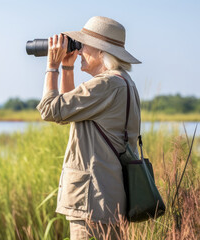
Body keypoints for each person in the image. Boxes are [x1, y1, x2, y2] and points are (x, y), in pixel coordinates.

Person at [36, 16, 142, 239]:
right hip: (108, 197)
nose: (80, 50)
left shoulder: (104, 85)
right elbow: (67, 114)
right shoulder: (123, 82)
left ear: (102, 51)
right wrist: (67, 67)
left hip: (91, 202)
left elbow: (49, 109)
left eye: (83, 45)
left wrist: (51, 66)